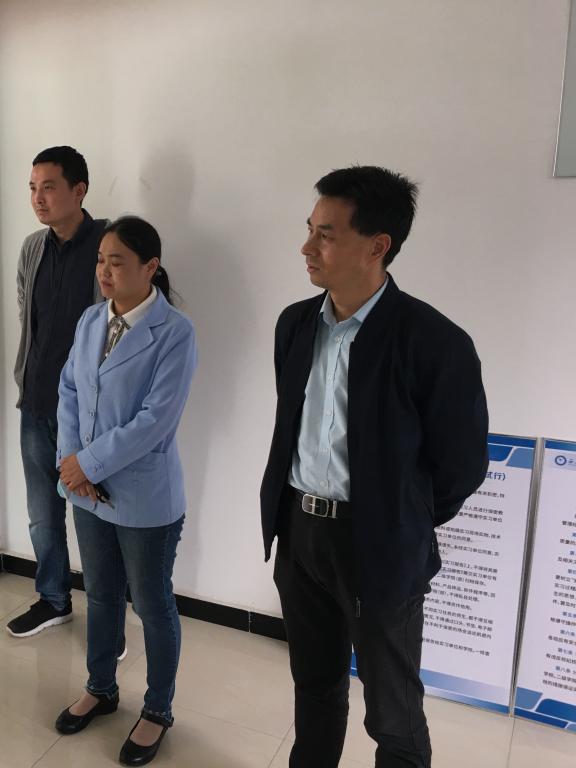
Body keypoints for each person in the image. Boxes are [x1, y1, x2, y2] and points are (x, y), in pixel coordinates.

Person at [260, 166, 489, 767]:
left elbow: (461, 465)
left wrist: (400, 517)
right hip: (300, 532)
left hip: (381, 545)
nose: (307, 247)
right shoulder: (294, 325)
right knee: (314, 686)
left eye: (326, 235)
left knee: (392, 712)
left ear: (377, 246)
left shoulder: (435, 341)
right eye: (309, 230)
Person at [54, 216, 197, 767]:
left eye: (117, 262)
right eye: (100, 260)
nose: (104, 272)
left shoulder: (175, 332)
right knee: (101, 594)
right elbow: (69, 389)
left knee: (152, 604)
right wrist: (72, 462)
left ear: (150, 267)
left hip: (143, 496)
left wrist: (86, 463)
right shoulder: (92, 319)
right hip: (86, 491)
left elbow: (154, 421)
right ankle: (101, 688)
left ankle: (157, 709)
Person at [8, 146, 110, 638]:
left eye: (48, 187)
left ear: (79, 190)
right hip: (36, 404)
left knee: (97, 518)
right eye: (33, 188)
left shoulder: (107, 246)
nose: (38, 198)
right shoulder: (33, 247)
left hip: (89, 415)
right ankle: (53, 599)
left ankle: (108, 620)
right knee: (42, 516)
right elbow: (26, 313)